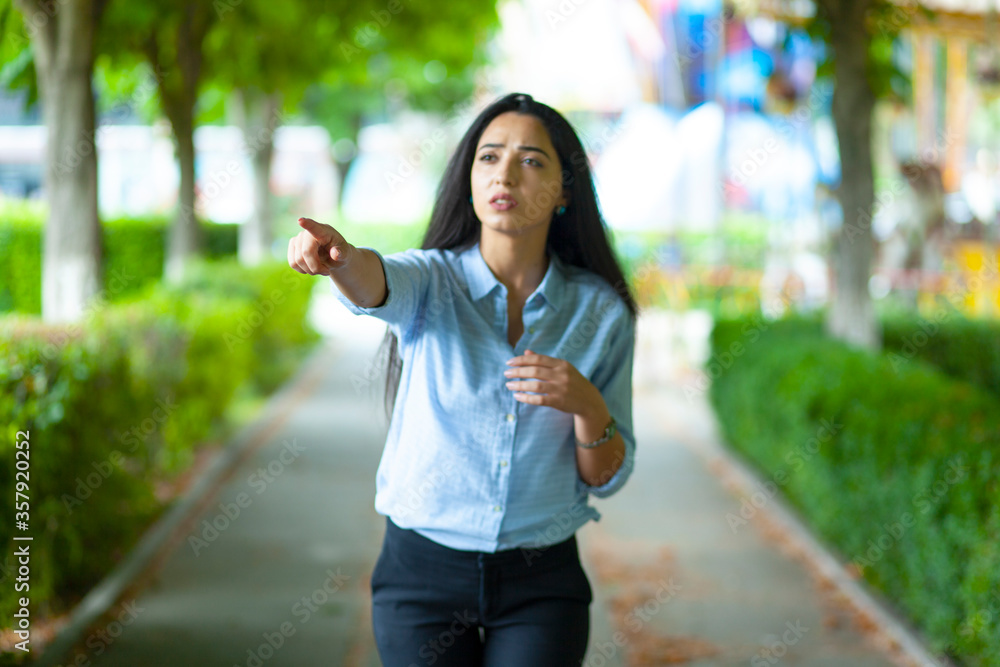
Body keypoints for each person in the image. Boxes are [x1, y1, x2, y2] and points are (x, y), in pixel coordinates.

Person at [287, 92, 639, 667]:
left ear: (564, 191)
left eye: (531, 160)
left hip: (540, 579)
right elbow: (375, 282)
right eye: (488, 156)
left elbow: (605, 479)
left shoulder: (601, 313)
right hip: (420, 574)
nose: (505, 173)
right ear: (469, 179)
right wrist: (339, 257)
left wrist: (587, 406)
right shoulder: (430, 283)